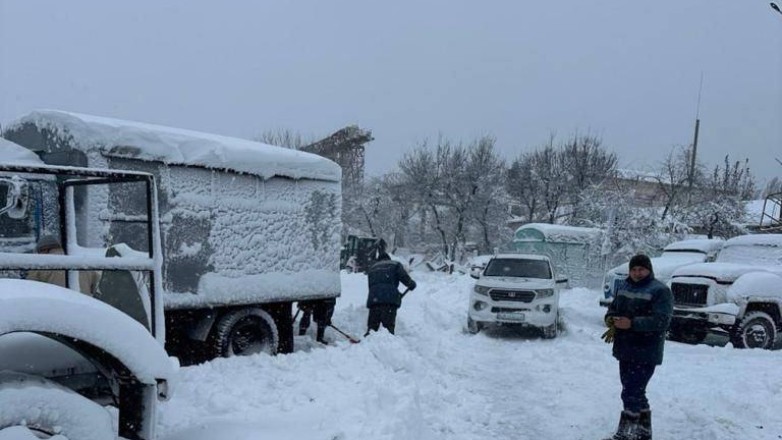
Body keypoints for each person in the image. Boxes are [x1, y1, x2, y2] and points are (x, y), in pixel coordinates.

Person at [602, 254, 673, 440]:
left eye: (641, 269)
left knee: (631, 392)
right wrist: (610, 319)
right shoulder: (624, 287)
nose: (637, 273)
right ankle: (644, 431)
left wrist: (632, 323)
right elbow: (613, 309)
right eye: (633, 269)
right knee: (635, 390)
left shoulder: (660, 291)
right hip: (625, 349)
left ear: (649, 270)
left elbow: (661, 321)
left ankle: (625, 434)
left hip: (646, 351)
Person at [26, 235, 99, 296]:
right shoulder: (81, 264)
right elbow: (98, 289)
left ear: (44, 250)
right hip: (84, 308)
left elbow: (30, 291)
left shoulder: (40, 266)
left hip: (58, 308)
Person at [365, 251, 416, 336]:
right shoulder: (395, 265)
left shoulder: (373, 268)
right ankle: (388, 345)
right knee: (388, 327)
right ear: (388, 258)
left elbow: (371, 285)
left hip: (374, 300)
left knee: (372, 328)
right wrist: (411, 284)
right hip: (389, 300)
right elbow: (404, 277)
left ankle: (366, 345)